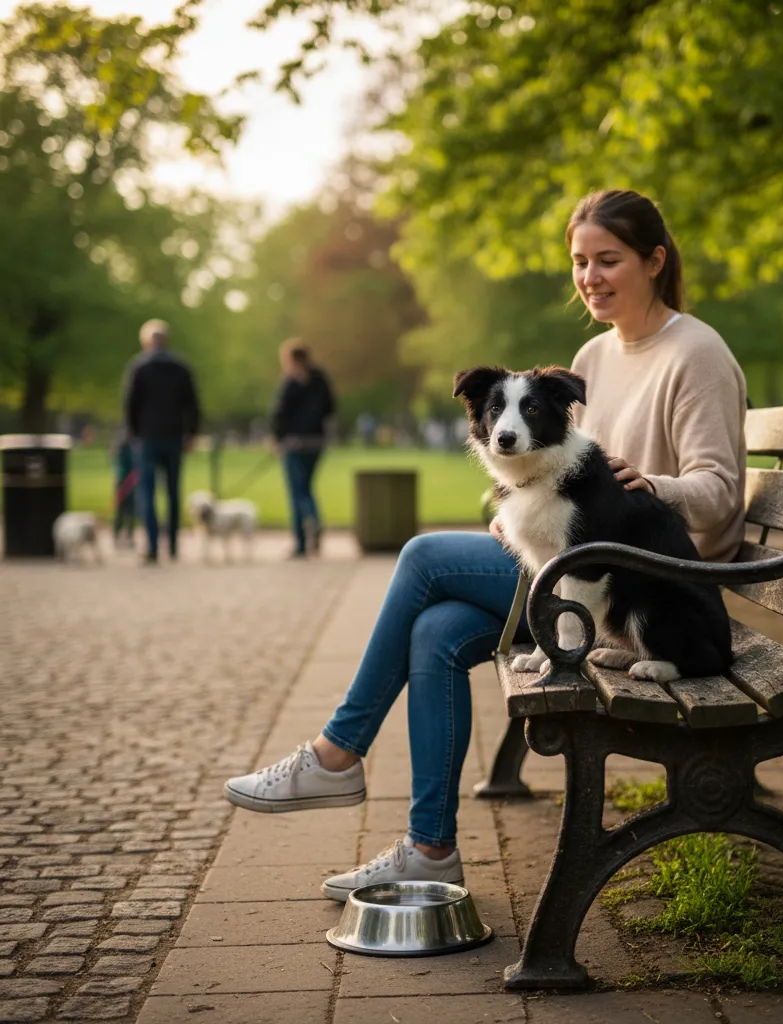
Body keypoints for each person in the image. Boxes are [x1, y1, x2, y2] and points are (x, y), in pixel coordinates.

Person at [223, 189, 747, 901]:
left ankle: (336, 752)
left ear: (654, 261)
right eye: (579, 262)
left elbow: (719, 495)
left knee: (422, 557)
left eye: (608, 260)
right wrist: (513, 510)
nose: (590, 276)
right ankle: (430, 848)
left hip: (645, 579)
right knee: (436, 631)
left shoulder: (696, 352)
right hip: (577, 566)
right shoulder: (595, 351)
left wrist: (651, 485)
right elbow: (549, 464)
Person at [123, 319, 201, 565]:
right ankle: (174, 546)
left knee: (147, 493)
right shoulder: (180, 367)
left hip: (147, 437)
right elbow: (193, 404)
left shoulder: (139, 367)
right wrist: (191, 433)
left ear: (146, 341)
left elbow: (130, 405)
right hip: (174, 436)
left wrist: (134, 433)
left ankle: (153, 546)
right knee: (173, 492)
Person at [271, 340, 335, 558]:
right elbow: (330, 407)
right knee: (305, 487)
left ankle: (303, 537)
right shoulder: (320, 379)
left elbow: (279, 412)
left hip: (294, 443)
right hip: (316, 442)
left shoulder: (289, 381)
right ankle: (309, 532)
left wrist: (278, 438)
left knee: (297, 491)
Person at [111, 426, 137, 549]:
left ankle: (129, 536)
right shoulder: (124, 447)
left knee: (130, 511)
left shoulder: (133, 446)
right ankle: (117, 535)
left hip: (131, 481)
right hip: (123, 481)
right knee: (121, 510)